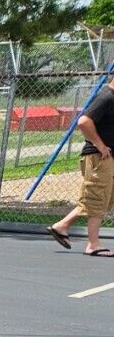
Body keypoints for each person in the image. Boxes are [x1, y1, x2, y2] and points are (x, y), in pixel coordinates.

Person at [47, 74, 114, 256]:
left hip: (107, 158)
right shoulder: (107, 96)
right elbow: (83, 122)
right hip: (99, 158)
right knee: (97, 199)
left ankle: (61, 226)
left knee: (99, 199)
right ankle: (93, 244)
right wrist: (100, 146)